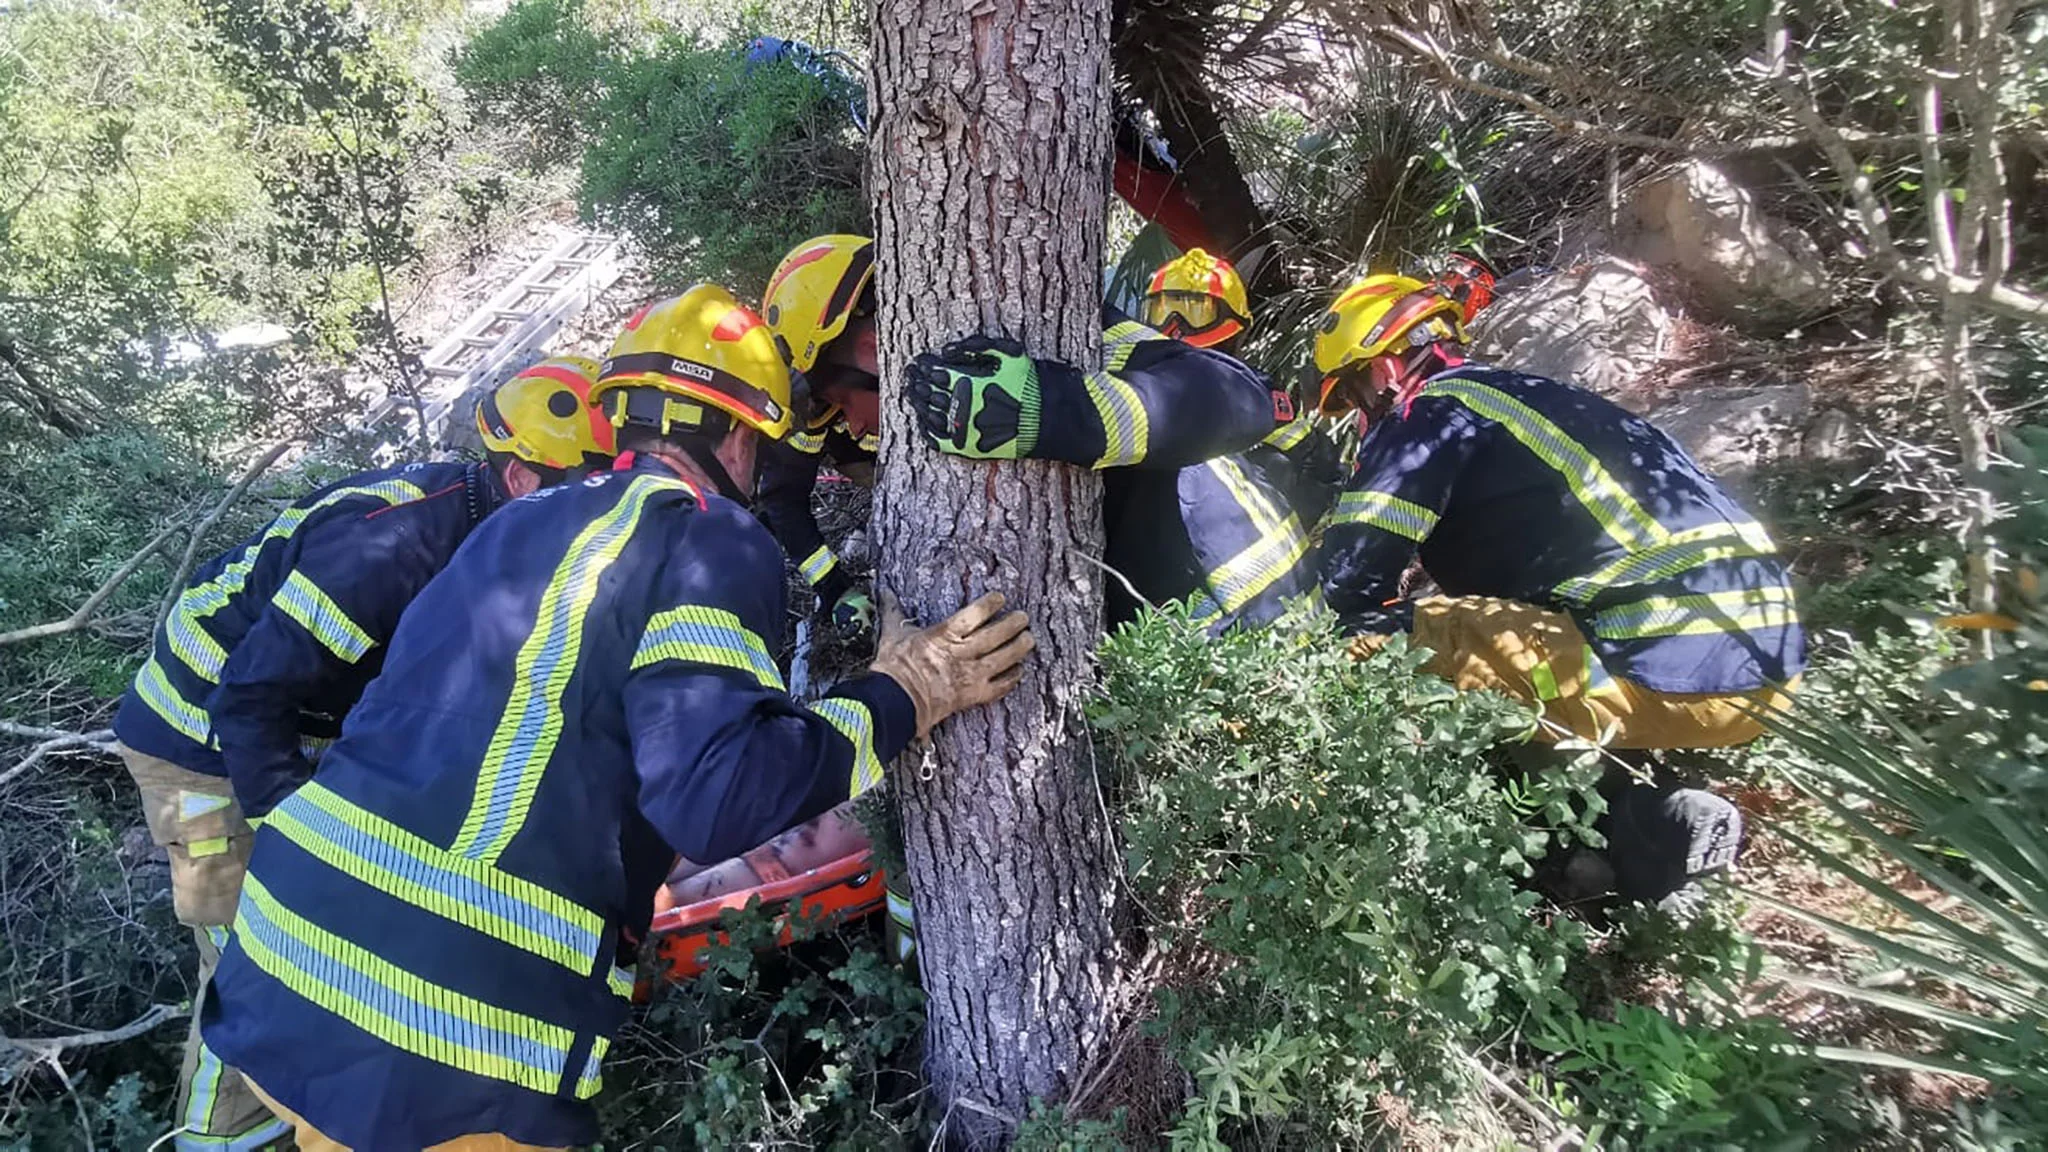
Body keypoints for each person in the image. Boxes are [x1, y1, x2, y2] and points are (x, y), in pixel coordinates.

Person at [199, 285, 1033, 1151]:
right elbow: (716, 803)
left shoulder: (508, 523)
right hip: (444, 1047)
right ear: (741, 436)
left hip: (277, 961)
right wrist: (910, 692)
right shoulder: (710, 537)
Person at [111, 359, 614, 1152]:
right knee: (254, 954)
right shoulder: (394, 550)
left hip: (280, 719)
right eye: (589, 488)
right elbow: (249, 695)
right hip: (196, 737)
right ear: (521, 475)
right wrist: (290, 830)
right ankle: (218, 1141)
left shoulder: (491, 532)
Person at [1310, 273, 1805, 902]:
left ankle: (1578, 839)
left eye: (1353, 394)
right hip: (1765, 670)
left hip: (1656, 665)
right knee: (1507, 638)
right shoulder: (1530, 398)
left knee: (1378, 640)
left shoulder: (1422, 413)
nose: (1359, 413)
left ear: (1381, 369)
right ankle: (1655, 819)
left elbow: (1348, 579)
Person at [757, 235, 882, 634]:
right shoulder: (816, 413)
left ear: (874, 349)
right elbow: (783, 499)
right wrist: (833, 587)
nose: (855, 427)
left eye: (844, 403)